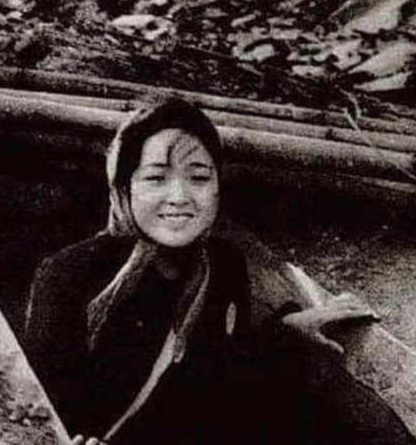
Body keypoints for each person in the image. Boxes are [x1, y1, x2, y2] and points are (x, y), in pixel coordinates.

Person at [25, 98, 374, 445]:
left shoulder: (223, 264)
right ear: (123, 188)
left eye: (199, 178)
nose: (179, 196)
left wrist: (285, 329)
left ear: (218, 186)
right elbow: (40, 401)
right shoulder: (69, 275)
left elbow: (220, 373)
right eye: (156, 178)